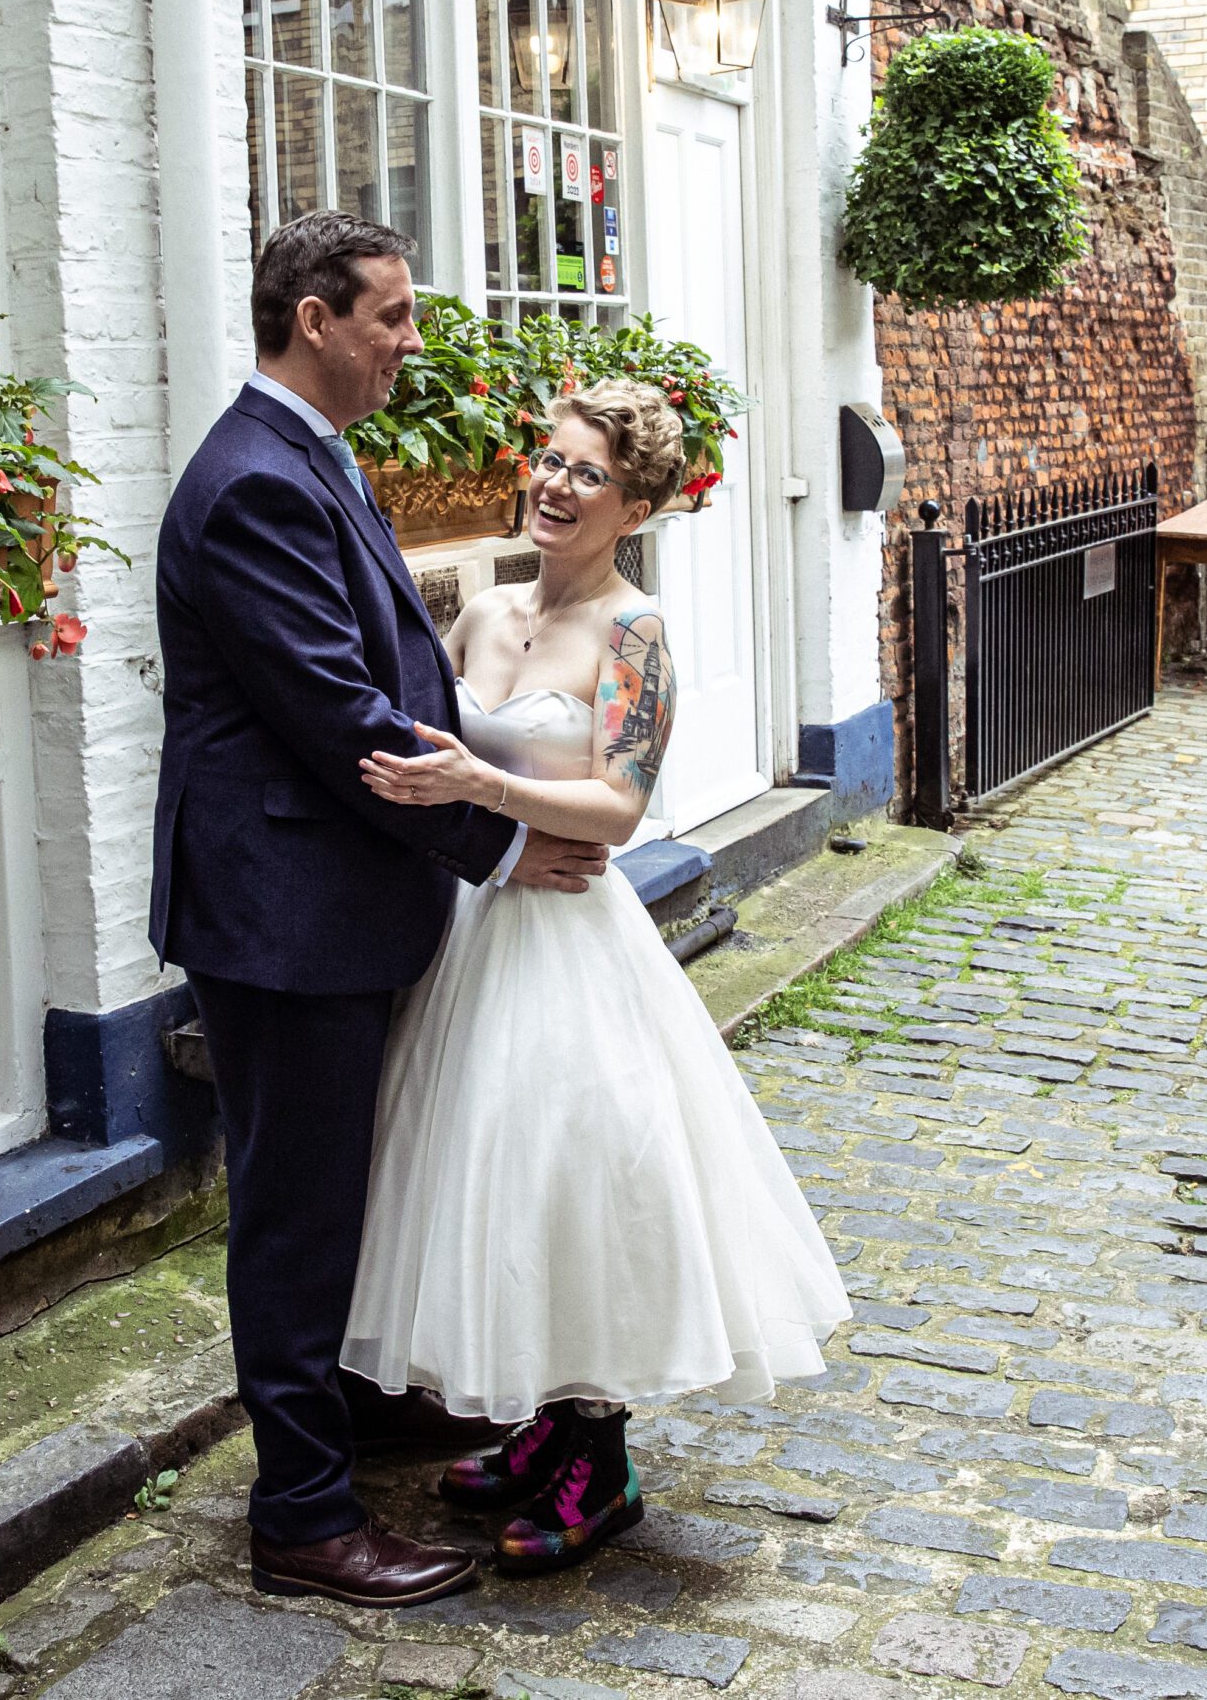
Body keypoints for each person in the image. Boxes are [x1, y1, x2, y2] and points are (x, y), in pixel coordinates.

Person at [149, 211, 613, 1610]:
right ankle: (301, 1510)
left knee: (348, 1180)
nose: (415, 341)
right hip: (283, 909)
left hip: (339, 897)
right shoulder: (254, 484)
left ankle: (350, 1406)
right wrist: (503, 838)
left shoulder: (312, 456)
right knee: (294, 1211)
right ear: (315, 322)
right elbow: (336, 717)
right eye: (395, 316)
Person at [341, 379, 851, 1575]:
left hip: (569, 941)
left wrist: (490, 793)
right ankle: (541, 1426)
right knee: (488, 1174)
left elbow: (617, 808)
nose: (554, 486)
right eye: (550, 461)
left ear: (636, 506)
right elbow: (428, 749)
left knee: (583, 1173)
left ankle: (601, 1457)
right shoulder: (481, 609)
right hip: (472, 933)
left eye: (586, 476)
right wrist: (461, 804)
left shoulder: (634, 633)